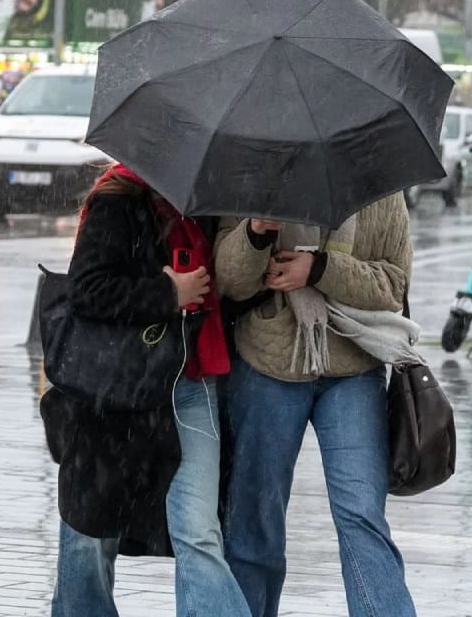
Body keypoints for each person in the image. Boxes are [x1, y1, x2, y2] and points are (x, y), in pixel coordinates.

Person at [42, 163, 250, 616]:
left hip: (190, 384)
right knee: (90, 531)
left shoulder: (212, 204)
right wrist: (165, 294)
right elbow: (87, 289)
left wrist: (256, 239)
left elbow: (233, 291)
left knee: (198, 530)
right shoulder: (118, 198)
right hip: (116, 387)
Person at [215, 194, 417, 617]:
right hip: (266, 361)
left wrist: (319, 269)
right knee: (255, 520)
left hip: (352, 366)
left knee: (362, 516)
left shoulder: (378, 185)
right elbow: (229, 282)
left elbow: (393, 285)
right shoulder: (255, 175)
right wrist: (254, 233)